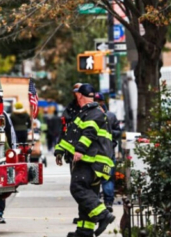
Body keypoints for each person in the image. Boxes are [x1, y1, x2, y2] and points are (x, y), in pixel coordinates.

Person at [56, 84, 115, 237]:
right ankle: (84, 231)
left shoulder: (94, 113)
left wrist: (80, 150)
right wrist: (59, 151)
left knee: (78, 188)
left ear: (80, 96)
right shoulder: (86, 113)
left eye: (77, 94)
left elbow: (89, 132)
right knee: (88, 197)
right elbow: (71, 135)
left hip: (91, 161)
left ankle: (103, 215)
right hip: (93, 161)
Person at [94, 93, 121, 213]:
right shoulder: (110, 116)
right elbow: (118, 133)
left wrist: (110, 139)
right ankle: (105, 202)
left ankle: (106, 202)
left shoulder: (107, 116)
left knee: (104, 178)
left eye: (97, 101)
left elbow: (117, 133)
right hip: (103, 153)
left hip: (101, 153)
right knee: (106, 178)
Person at [55, 82, 82, 168]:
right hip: (72, 153)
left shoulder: (93, 110)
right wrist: (59, 152)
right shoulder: (69, 110)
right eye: (76, 91)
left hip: (90, 154)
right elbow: (63, 132)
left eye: (80, 91)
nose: (78, 94)